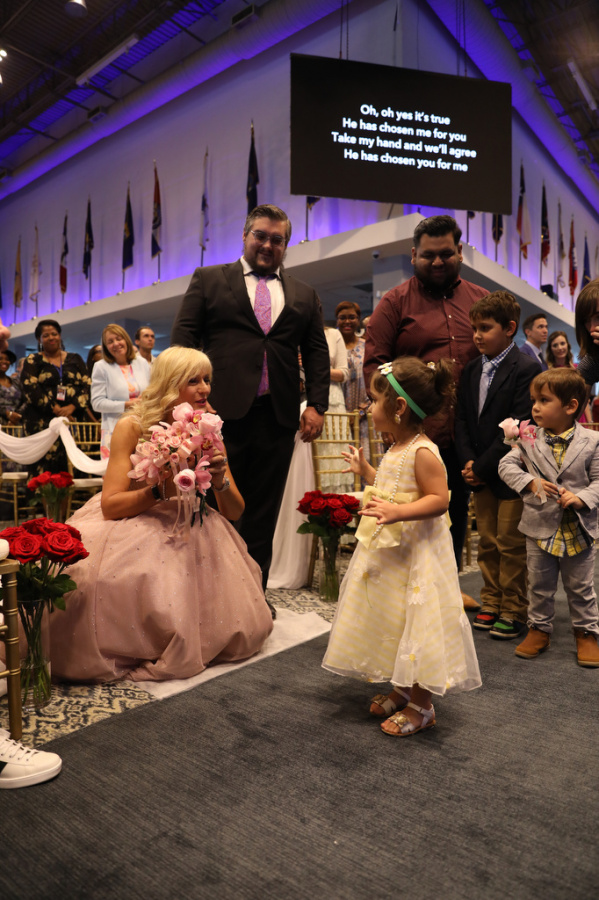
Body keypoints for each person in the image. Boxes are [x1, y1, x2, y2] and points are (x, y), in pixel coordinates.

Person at [49, 347, 273, 683]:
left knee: (243, 626)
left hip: (195, 525)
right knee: (99, 581)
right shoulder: (132, 426)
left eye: (207, 380)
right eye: (194, 380)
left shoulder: (207, 429)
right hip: (136, 520)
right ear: (170, 383)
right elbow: (111, 506)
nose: (205, 388)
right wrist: (159, 491)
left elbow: (234, 511)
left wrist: (221, 479)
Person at [170, 203, 330, 595]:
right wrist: (187, 402)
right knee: (210, 506)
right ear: (245, 236)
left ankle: (253, 596)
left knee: (263, 511)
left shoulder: (304, 293)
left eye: (278, 239)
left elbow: (316, 352)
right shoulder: (209, 279)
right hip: (216, 417)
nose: (268, 244)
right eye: (260, 235)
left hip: (278, 417)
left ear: (286, 245)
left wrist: (317, 405)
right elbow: (183, 342)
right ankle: (208, 596)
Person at [322, 357, 481, 736]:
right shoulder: (397, 446)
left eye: (374, 400)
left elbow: (439, 499)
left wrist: (397, 511)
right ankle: (401, 687)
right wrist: (367, 473)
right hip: (393, 553)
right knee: (395, 618)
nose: (368, 407)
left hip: (417, 554)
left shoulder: (423, 451)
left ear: (398, 407)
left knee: (419, 622)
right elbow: (394, 487)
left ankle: (422, 706)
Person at [363, 214, 489, 608]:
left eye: (445, 253)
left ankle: (446, 587)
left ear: (460, 252)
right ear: (413, 254)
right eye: (428, 255)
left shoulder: (481, 300)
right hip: (413, 433)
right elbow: (374, 365)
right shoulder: (394, 302)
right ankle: (404, 592)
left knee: (454, 508)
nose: (437, 261)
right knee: (406, 509)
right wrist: (390, 421)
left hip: (468, 431)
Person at [498, 368, 599, 667]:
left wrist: (581, 498)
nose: (535, 407)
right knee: (539, 584)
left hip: (578, 528)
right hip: (539, 527)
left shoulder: (593, 441)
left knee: (581, 587)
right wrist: (530, 482)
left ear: (570, 406)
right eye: (534, 400)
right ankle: (539, 628)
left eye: (544, 400)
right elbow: (506, 466)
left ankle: (586, 632)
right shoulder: (528, 439)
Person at [455, 292, 540, 640]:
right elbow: (462, 419)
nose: (477, 335)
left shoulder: (526, 367)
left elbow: (519, 423)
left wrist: (482, 466)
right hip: (480, 471)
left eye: (485, 328)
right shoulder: (471, 368)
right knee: (487, 541)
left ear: (509, 328)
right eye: (474, 328)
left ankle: (514, 608)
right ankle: (491, 600)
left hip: (512, 471)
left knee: (510, 542)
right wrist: (467, 461)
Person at [21, 319, 91, 475]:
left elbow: (87, 385)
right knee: (42, 471)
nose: (51, 338)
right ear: (39, 339)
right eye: (46, 335)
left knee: (70, 467)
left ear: (60, 335)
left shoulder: (75, 359)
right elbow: (30, 388)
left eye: (54, 334)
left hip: (72, 419)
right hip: (41, 421)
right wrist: (56, 409)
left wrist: (72, 407)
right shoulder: (33, 360)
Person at [91, 324, 151, 459]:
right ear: (105, 347)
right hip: (114, 428)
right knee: (117, 469)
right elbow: (97, 403)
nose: (116, 344)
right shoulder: (101, 367)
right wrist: (128, 404)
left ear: (126, 340)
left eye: (119, 339)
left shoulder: (141, 362)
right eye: (110, 341)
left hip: (142, 426)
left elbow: (151, 389)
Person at [337, 301, 371, 456]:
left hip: (364, 415)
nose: (347, 321)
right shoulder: (330, 347)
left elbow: (374, 379)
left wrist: (361, 412)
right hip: (337, 416)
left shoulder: (368, 346)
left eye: (352, 317)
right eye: (342, 318)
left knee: (365, 459)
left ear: (358, 320)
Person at [0, 349, 23, 425]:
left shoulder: (16, 382)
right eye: (0, 359)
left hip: (15, 424)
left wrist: (16, 416)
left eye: (7, 359)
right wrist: (7, 414)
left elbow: (25, 401)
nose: (4, 361)